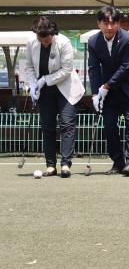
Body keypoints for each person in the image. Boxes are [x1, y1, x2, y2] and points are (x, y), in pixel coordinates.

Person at [88, 6, 129, 176]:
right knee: (109, 124)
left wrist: (105, 87)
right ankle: (117, 162)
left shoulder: (128, 39)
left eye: (113, 23)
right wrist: (95, 93)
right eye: (105, 23)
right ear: (99, 23)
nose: (109, 27)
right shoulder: (93, 41)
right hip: (109, 91)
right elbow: (93, 69)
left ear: (119, 24)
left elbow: (127, 67)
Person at [25, 16, 85, 178]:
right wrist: (32, 85)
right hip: (45, 92)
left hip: (65, 88)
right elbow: (29, 66)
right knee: (47, 127)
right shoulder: (31, 42)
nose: (44, 42)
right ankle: (50, 165)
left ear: (53, 33)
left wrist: (45, 80)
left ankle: (66, 163)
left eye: (47, 39)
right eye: (41, 39)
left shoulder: (63, 42)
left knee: (66, 124)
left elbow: (66, 70)